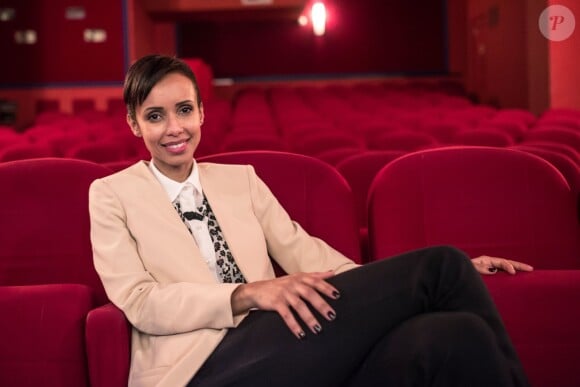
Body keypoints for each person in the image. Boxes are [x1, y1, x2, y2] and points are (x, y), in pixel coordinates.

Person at [88, 54, 533, 387]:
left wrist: (395, 288)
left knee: (452, 333)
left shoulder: (240, 181)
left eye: (184, 110)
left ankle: (452, 278)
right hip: (199, 368)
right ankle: (447, 274)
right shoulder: (112, 195)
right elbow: (141, 302)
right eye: (154, 116)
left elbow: (307, 254)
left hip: (286, 346)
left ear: (202, 112)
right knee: (442, 265)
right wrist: (246, 295)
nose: (174, 128)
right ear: (133, 123)